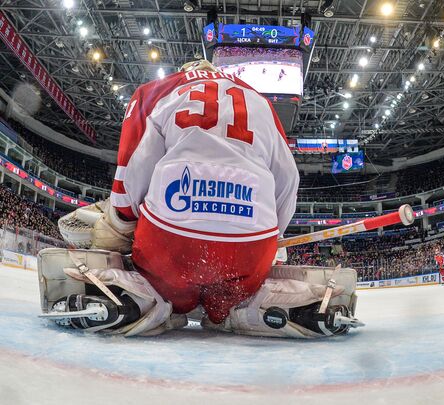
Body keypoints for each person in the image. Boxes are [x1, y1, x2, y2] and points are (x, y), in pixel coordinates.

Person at [48, 60, 362, 338]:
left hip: (171, 246)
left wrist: (119, 224)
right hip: (248, 251)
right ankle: (256, 309)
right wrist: (272, 239)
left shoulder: (158, 91)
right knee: (232, 299)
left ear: (186, 72)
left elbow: (133, 169)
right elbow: (287, 180)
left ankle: (144, 301)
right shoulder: (260, 103)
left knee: (168, 293)